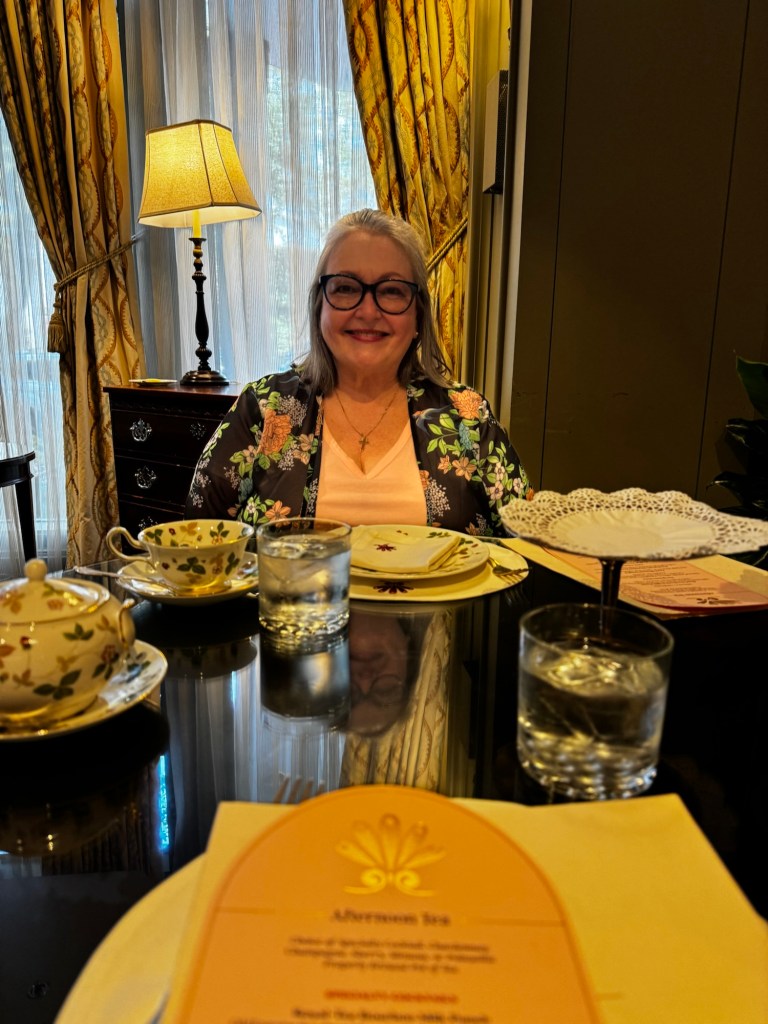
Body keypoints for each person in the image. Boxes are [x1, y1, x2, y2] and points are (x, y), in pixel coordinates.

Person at [185, 208, 532, 535]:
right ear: (319, 306)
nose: (367, 312)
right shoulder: (263, 407)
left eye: (392, 291)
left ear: (418, 315)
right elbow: (198, 541)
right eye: (346, 288)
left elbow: (532, 544)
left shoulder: (467, 416)